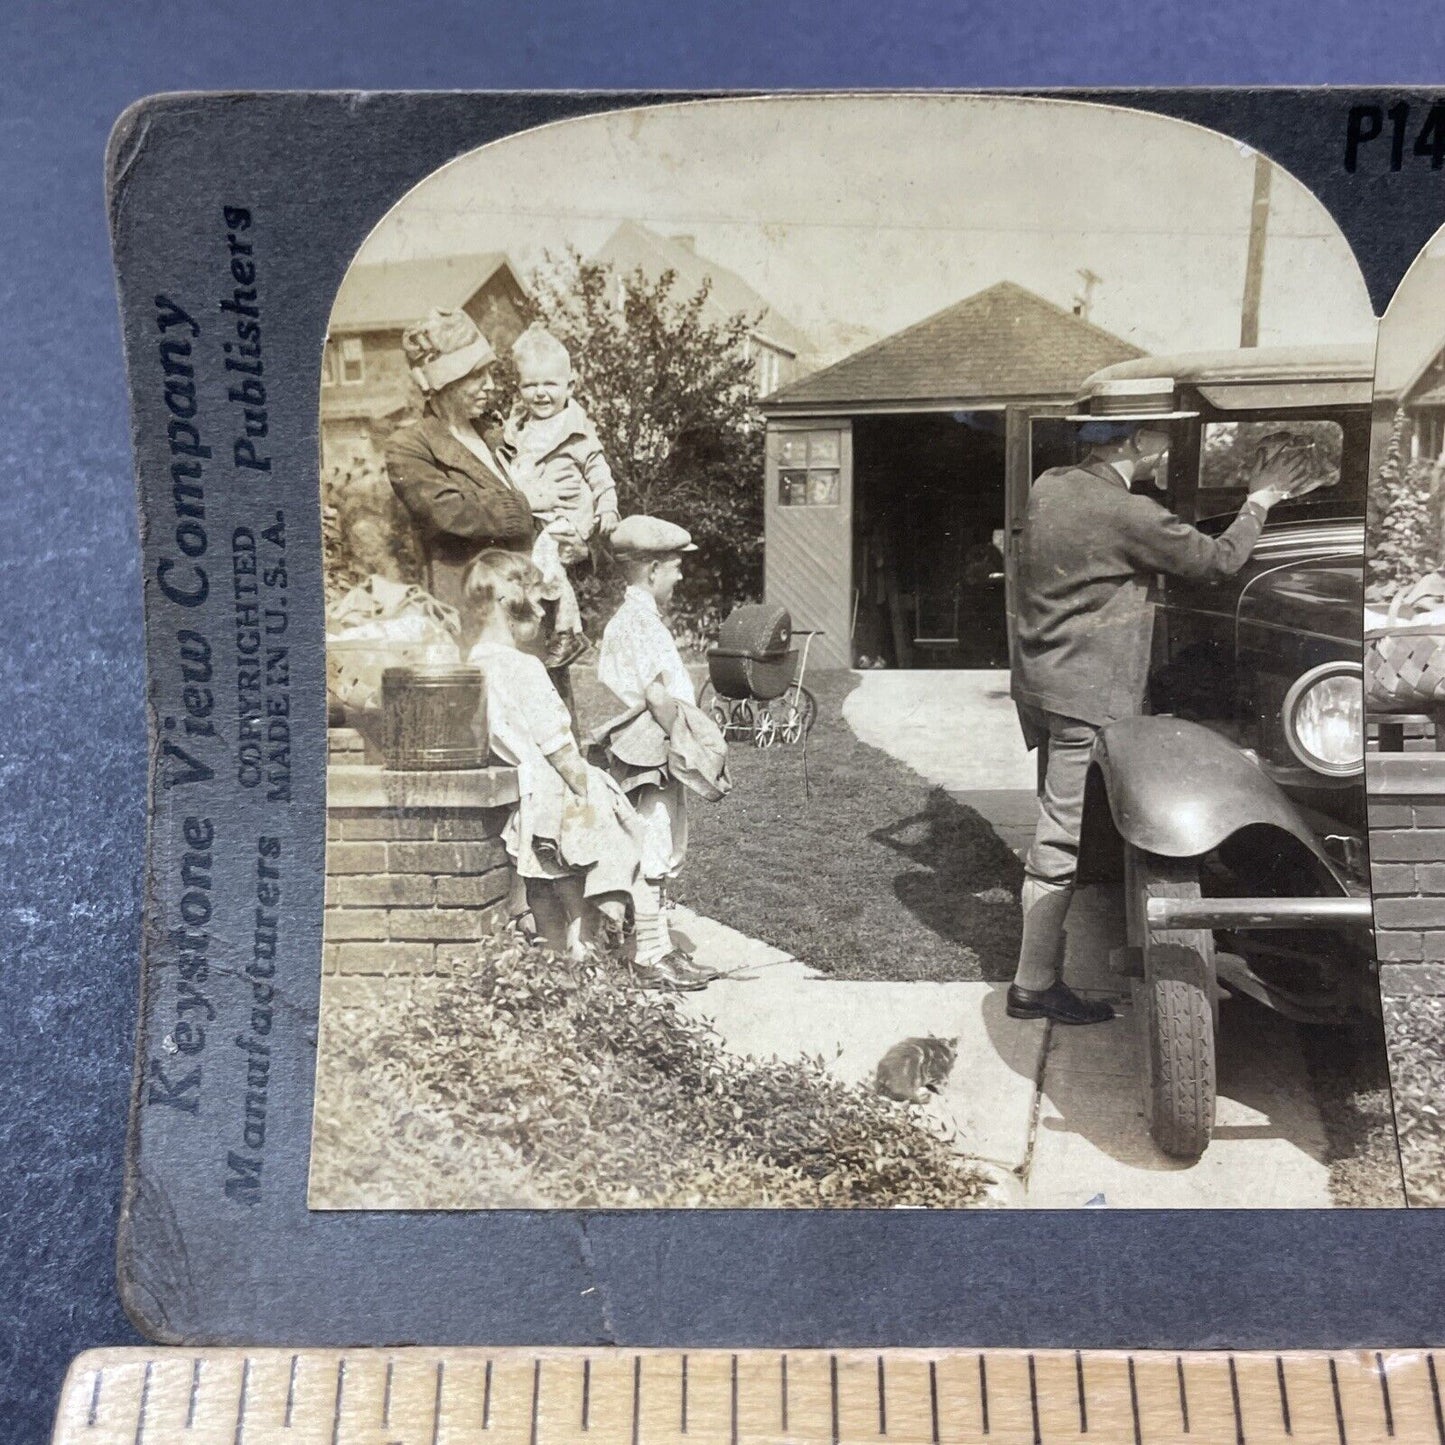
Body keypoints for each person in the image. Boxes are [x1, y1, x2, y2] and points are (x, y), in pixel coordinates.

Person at [1007, 407, 1320, 1025]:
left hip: (1042, 684)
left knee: (1061, 822)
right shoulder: (1130, 513)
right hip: (1085, 693)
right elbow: (1218, 562)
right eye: (1160, 435)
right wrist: (1258, 500)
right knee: (1056, 842)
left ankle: (1039, 973)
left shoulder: (1051, 484)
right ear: (1139, 441)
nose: (1165, 445)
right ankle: (1032, 985)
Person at [461, 549, 699, 984]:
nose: (542, 613)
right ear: (511, 604)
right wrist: (590, 791)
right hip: (563, 794)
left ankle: (556, 980)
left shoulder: (474, 665)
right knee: (614, 869)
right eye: (537, 602)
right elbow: (557, 747)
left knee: (544, 894)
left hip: (529, 801)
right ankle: (624, 963)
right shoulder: (524, 669)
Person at [383, 307, 580, 626]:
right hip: (475, 613)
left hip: (537, 606)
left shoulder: (500, 432)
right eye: (476, 375)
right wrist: (526, 504)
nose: (491, 385)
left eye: (489, 373)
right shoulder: (410, 446)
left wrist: (577, 541)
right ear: (446, 380)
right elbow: (449, 513)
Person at [596, 516, 717, 988]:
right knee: (652, 846)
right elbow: (656, 696)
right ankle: (648, 956)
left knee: (664, 845)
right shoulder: (636, 624)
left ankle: (660, 947)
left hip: (656, 744)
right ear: (650, 570)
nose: (681, 576)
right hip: (648, 746)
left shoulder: (642, 620)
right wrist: (691, 745)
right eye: (674, 567)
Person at [500, 323, 621, 668]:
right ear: (518, 387)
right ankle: (551, 625)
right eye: (530, 385)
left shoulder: (576, 428)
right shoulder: (520, 426)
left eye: (550, 384)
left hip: (568, 513)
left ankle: (568, 631)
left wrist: (608, 507)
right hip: (540, 513)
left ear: (570, 385)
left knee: (546, 560)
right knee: (538, 567)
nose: (540, 393)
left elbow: (599, 470)